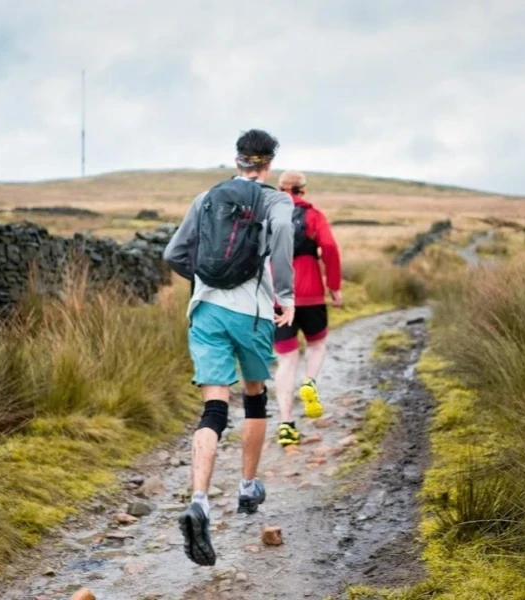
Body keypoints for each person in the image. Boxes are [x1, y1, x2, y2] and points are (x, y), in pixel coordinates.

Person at [163, 129, 295, 567]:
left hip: (205, 310)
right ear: (268, 163)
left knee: (213, 407)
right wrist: (287, 295)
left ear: (237, 159)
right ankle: (246, 487)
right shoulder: (276, 200)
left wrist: (206, 280)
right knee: (254, 394)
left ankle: (199, 500)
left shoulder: (206, 197)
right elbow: (279, 239)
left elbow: (174, 254)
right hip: (252, 313)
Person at [273, 170, 342, 446]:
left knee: (286, 360)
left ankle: (286, 425)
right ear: (303, 190)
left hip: (278, 297)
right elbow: (330, 248)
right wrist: (334, 286)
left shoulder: (269, 217)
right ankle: (310, 381)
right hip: (311, 293)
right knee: (317, 345)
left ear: (280, 189)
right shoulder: (314, 216)